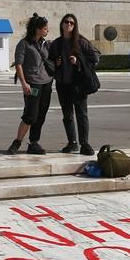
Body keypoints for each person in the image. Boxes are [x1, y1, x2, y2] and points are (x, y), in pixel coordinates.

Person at [49, 13, 100, 155]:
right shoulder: (56, 43)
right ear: (62, 25)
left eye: (72, 23)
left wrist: (78, 61)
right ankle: (72, 143)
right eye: (66, 22)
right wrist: (55, 63)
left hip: (78, 84)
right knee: (67, 115)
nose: (69, 24)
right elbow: (48, 60)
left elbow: (96, 57)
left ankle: (85, 143)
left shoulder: (81, 42)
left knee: (82, 114)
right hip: (62, 84)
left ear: (75, 25)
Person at [7, 14, 53, 155]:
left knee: (41, 114)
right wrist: (24, 84)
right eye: (45, 28)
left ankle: (34, 143)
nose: (47, 30)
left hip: (47, 83)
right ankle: (17, 141)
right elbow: (19, 65)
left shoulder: (45, 44)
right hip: (32, 84)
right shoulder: (24, 44)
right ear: (37, 29)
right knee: (30, 114)